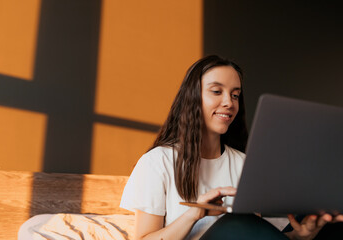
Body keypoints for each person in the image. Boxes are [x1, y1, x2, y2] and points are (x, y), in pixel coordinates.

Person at [120, 55, 343, 240]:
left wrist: (299, 236)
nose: (229, 102)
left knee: (329, 220)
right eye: (217, 92)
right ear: (193, 98)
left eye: (235, 95)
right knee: (238, 222)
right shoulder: (158, 162)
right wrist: (195, 214)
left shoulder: (244, 163)